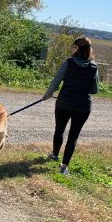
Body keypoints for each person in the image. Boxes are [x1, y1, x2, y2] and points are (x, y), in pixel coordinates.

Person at [42, 37, 99, 176]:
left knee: (59, 130)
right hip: (83, 106)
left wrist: (47, 95)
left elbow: (56, 82)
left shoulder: (68, 63)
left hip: (64, 103)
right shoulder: (94, 67)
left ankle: (55, 155)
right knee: (73, 136)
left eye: (73, 46)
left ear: (77, 48)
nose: (72, 49)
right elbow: (94, 90)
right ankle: (64, 167)